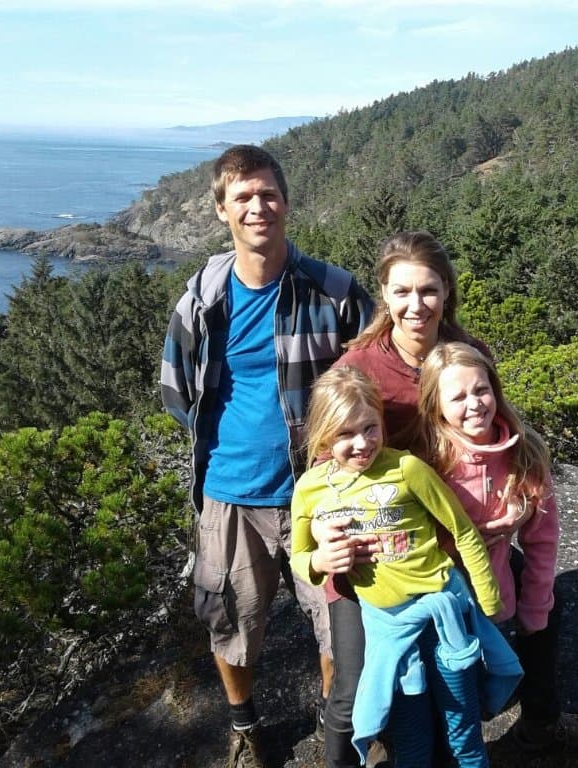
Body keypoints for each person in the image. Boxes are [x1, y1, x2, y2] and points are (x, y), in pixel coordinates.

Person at [159, 144, 373, 768]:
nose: (258, 207)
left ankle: (337, 724)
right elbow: (177, 393)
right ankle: (244, 726)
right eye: (243, 197)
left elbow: (375, 377)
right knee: (232, 622)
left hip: (324, 492)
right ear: (221, 209)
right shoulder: (201, 300)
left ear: (287, 201)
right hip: (230, 494)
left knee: (340, 622)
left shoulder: (333, 292)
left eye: (268, 194)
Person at [311, 230, 529, 768]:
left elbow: (496, 433)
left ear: (447, 290)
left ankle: (542, 724)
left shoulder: (468, 354)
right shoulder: (359, 368)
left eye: (428, 290)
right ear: (383, 295)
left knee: (516, 628)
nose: (416, 305)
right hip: (371, 555)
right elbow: (322, 462)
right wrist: (320, 535)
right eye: (402, 291)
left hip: (445, 549)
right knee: (354, 686)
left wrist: (513, 499)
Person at [290, 366, 522, 768]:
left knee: (463, 734)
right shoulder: (310, 489)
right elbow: (299, 555)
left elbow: (462, 531)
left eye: (370, 428)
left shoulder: (407, 469)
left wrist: (487, 602)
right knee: (412, 742)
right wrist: (319, 561)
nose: (362, 443)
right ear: (324, 435)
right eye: (345, 434)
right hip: (389, 631)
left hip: (444, 617)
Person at [413, 341, 578, 751]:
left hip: (496, 580)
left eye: (481, 390)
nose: (474, 404)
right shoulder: (425, 462)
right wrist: (472, 535)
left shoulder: (523, 451)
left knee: (547, 607)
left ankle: (540, 723)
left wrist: (535, 607)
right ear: (435, 406)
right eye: (457, 397)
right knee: (456, 689)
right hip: (441, 591)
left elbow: (542, 538)